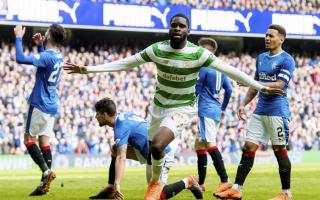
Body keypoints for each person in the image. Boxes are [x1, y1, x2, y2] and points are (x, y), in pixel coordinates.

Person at [64, 14, 283, 200]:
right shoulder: (157, 50)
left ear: (189, 31)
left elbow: (231, 71)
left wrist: (260, 87)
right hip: (157, 109)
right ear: (169, 29)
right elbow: (126, 63)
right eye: (174, 25)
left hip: (182, 109)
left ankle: (158, 182)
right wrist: (88, 70)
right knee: (152, 152)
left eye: (182, 25)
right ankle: (171, 182)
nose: (177, 28)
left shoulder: (198, 54)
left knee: (158, 147)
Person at [215, 24, 295, 200]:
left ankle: (286, 193)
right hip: (260, 110)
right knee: (248, 147)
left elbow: (280, 85)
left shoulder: (287, 60)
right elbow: (255, 87)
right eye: (266, 35)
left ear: (281, 39)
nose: (267, 38)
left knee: (279, 149)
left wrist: (252, 82)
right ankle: (237, 189)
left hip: (277, 111)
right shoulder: (261, 58)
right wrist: (243, 103)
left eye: (271, 36)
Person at [88, 97, 203, 200]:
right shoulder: (124, 116)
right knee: (115, 149)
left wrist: (118, 183)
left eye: (97, 114)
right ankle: (110, 187)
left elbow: (121, 157)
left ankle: (188, 182)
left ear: (104, 114)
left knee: (154, 197)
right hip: (147, 153)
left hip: (162, 154)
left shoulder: (121, 127)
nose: (96, 117)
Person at [14, 24, 66, 196]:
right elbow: (46, 63)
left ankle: (46, 172)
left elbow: (20, 58)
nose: (45, 32)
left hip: (39, 103)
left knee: (28, 139)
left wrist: (18, 37)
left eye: (48, 31)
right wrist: (40, 45)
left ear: (50, 36)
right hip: (52, 104)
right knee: (44, 141)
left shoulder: (48, 56)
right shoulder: (59, 56)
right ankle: (45, 184)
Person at [194, 37, 232, 194]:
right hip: (215, 110)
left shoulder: (204, 68)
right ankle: (201, 183)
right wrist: (223, 108)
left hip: (206, 110)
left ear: (205, 52)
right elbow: (229, 90)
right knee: (199, 145)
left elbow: (196, 90)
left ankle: (224, 179)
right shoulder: (220, 69)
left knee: (209, 144)